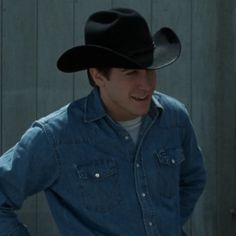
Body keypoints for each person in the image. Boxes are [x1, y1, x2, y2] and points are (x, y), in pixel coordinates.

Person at [0, 7, 206, 236]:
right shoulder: (56, 137)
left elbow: (193, 178)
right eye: (131, 73)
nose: (146, 84)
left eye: (149, 69)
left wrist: (166, 224)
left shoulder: (174, 118)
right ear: (98, 75)